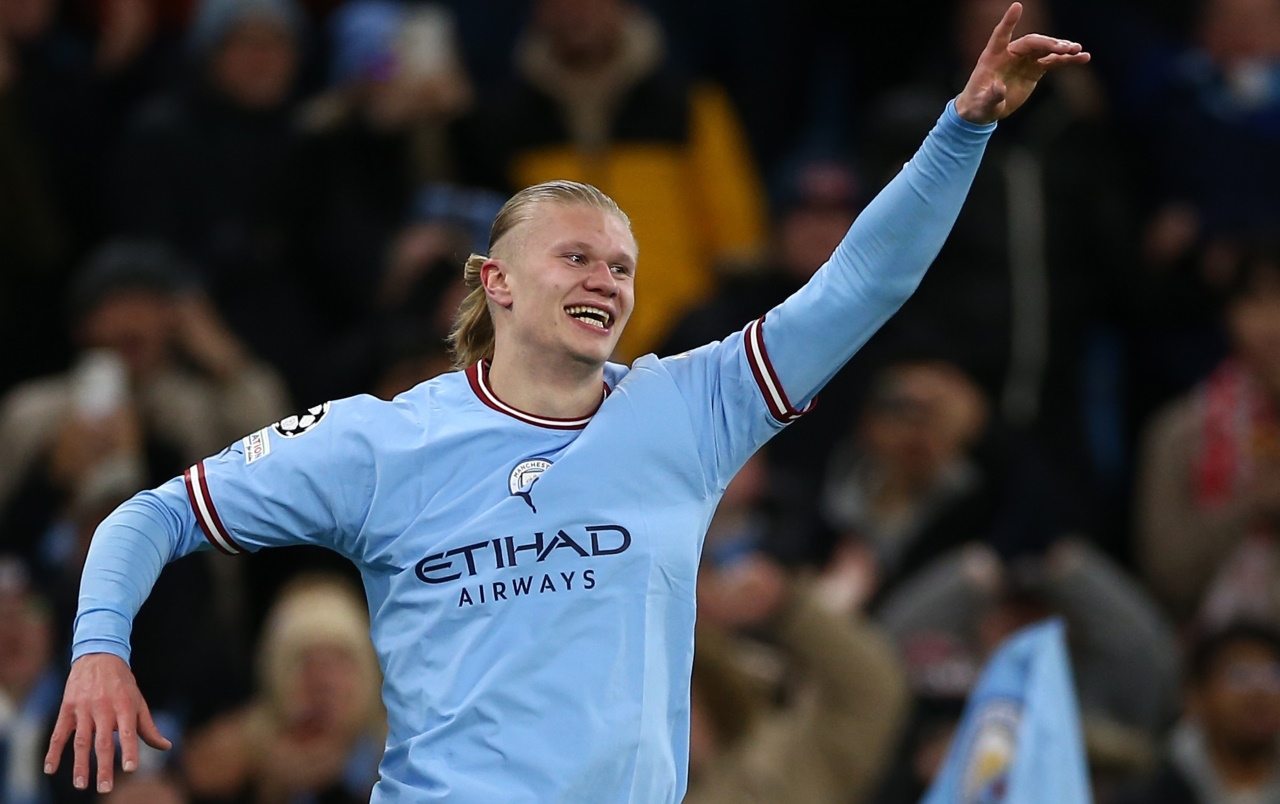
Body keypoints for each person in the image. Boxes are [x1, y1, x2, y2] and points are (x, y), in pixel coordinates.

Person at [45, 5, 1089, 799]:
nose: (606, 279)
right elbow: (155, 513)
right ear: (494, 282)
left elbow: (861, 284)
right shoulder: (381, 440)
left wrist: (959, 132)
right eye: (576, 255)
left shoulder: (690, 409)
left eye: (623, 266)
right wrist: (98, 648)